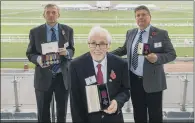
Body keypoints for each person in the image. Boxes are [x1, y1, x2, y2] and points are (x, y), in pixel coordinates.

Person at [111, 5, 177, 123]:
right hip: (134, 80)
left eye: (143, 15)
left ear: (149, 17)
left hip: (153, 81)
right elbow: (123, 49)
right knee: (138, 112)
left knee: (155, 114)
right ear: (135, 18)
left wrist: (157, 58)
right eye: (138, 15)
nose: (140, 17)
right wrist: (106, 55)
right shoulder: (131, 33)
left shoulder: (160, 34)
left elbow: (172, 54)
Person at [69, 26, 130, 123]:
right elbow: (75, 101)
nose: (97, 48)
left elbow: (126, 90)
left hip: (113, 119)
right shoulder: (76, 65)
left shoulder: (120, 64)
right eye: (93, 43)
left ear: (109, 45)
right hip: (88, 119)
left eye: (102, 44)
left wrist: (117, 102)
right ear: (88, 45)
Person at [26, 3, 75, 123]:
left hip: (62, 78)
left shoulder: (68, 30)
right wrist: (38, 59)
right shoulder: (35, 32)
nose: (51, 15)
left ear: (58, 14)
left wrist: (67, 53)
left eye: (54, 12)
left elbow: (72, 50)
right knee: (43, 114)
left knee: (62, 113)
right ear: (44, 15)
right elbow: (30, 53)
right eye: (48, 12)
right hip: (43, 77)